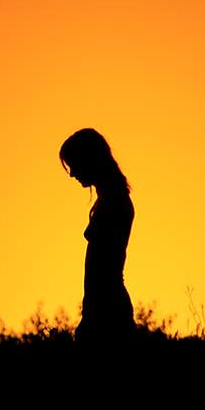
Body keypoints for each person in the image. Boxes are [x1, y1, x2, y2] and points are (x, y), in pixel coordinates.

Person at [60, 128, 136, 343]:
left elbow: (104, 269)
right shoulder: (110, 199)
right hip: (103, 304)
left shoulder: (114, 202)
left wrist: (92, 315)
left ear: (89, 159)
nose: (72, 173)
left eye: (73, 163)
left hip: (107, 306)